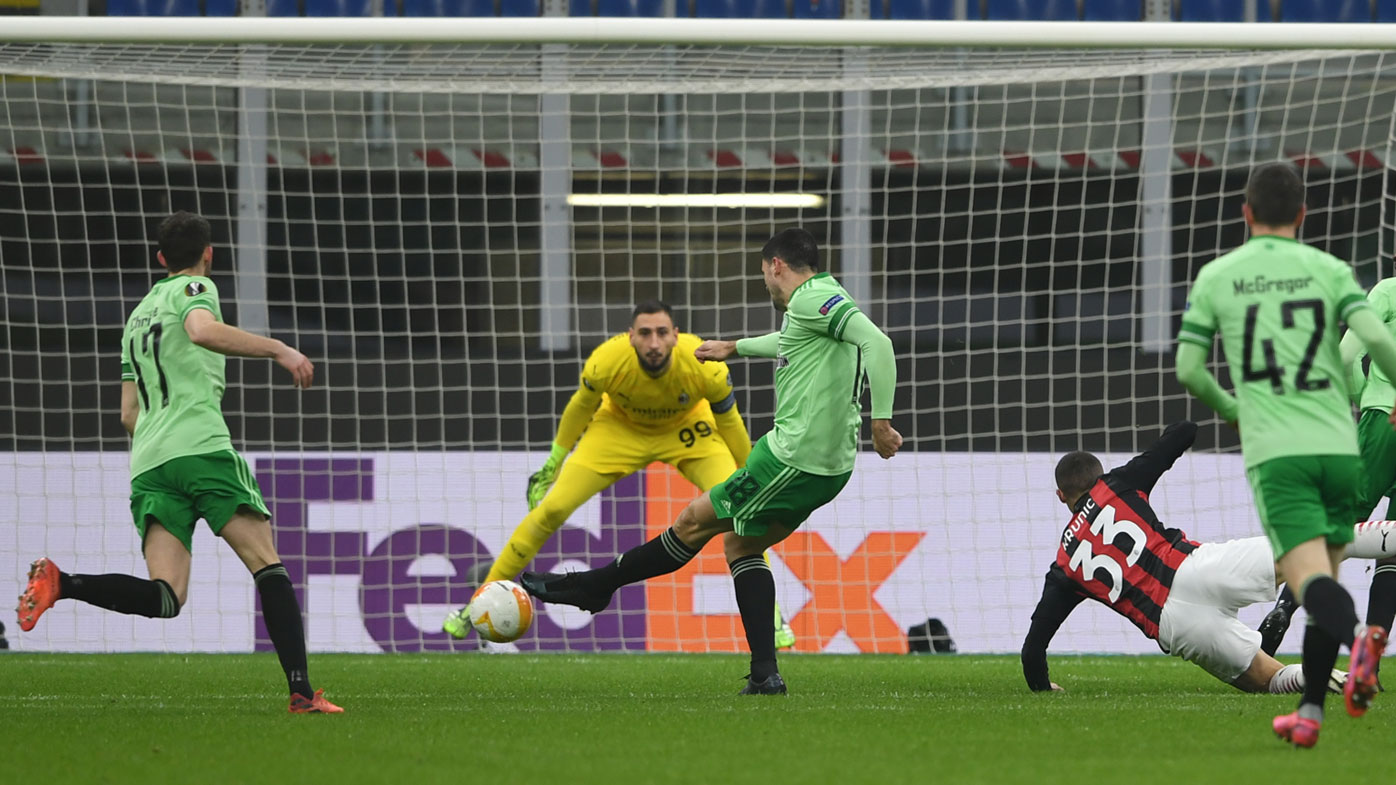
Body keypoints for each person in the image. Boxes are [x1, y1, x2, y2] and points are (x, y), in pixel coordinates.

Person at [519, 227, 901, 694]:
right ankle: (764, 674)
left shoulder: (809, 299)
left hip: (792, 461)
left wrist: (881, 423)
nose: (766, 282)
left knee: (691, 523)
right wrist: (733, 347)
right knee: (741, 545)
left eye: (764, 273)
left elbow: (878, 343)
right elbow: (792, 341)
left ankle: (597, 586)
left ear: (776, 265)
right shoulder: (823, 297)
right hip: (828, 467)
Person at [14, 211, 341, 714]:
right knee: (266, 564)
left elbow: (127, 414)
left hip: (150, 463)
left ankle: (64, 583)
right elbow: (202, 330)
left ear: (160, 257)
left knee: (167, 596)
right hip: (200, 449)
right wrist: (279, 349)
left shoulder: (136, 317)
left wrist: (161, 439)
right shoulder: (195, 289)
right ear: (208, 254)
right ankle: (301, 693)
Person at [1175, 162, 1396, 746]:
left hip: (1282, 447)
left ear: (1245, 213)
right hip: (1338, 441)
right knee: (1326, 571)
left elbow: (1189, 369)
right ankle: (1311, 712)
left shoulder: (1219, 275)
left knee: (1308, 576)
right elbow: (1376, 341)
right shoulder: (1330, 269)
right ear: (1303, 214)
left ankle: (1361, 641)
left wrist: (1235, 410)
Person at [441, 300, 795, 649]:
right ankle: (475, 605)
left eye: (661, 333)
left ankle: (773, 617)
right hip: (618, 430)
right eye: (645, 333)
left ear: (675, 335)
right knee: (551, 509)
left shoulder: (705, 365)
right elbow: (581, 407)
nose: (653, 343)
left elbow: (729, 422)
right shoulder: (607, 360)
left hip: (688, 432)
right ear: (630, 336)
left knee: (738, 512)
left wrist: (749, 471)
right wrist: (554, 463)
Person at [1023, 422, 1396, 695]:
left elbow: (1033, 648)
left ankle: (1336, 679)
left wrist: (1042, 687)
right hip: (1195, 568)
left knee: (1267, 679)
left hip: (1177, 624)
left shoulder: (1064, 564)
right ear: (1099, 475)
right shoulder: (1117, 484)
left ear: (1061, 496)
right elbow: (1184, 432)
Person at [1255, 278, 1396, 659]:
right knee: (1393, 550)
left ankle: (1284, 609)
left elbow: (1345, 357)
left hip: (1385, 420)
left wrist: (1366, 396)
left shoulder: (1388, 291)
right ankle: (1368, 663)